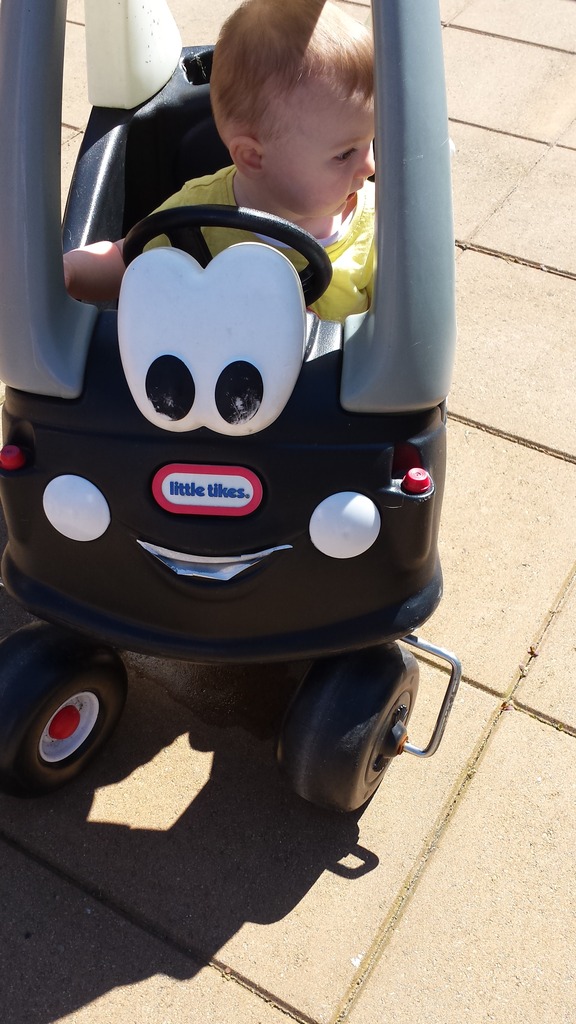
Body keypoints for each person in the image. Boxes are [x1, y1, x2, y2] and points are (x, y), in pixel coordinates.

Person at [64, 0, 375, 323]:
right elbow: (125, 258)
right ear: (253, 157)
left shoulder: (380, 225)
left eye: (371, 141)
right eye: (345, 154)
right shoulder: (197, 214)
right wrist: (69, 270)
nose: (371, 167)